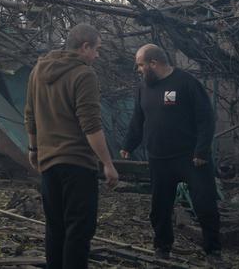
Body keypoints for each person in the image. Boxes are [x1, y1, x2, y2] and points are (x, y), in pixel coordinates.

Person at [25, 24, 119, 269]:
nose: (97, 55)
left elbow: (30, 115)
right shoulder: (83, 74)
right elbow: (91, 125)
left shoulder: (38, 70)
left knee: (55, 227)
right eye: (96, 49)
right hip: (77, 163)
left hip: (48, 162)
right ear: (84, 47)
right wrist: (108, 164)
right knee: (79, 230)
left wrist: (33, 150)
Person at [120, 44, 222, 265]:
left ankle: (213, 251)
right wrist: (129, 144)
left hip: (191, 158)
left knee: (205, 205)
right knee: (160, 208)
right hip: (159, 158)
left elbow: (206, 118)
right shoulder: (143, 88)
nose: (138, 69)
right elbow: (138, 119)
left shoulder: (186, 83)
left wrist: (201, 150)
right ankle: (162, 248)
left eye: (140, 65)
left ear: (153, 63)